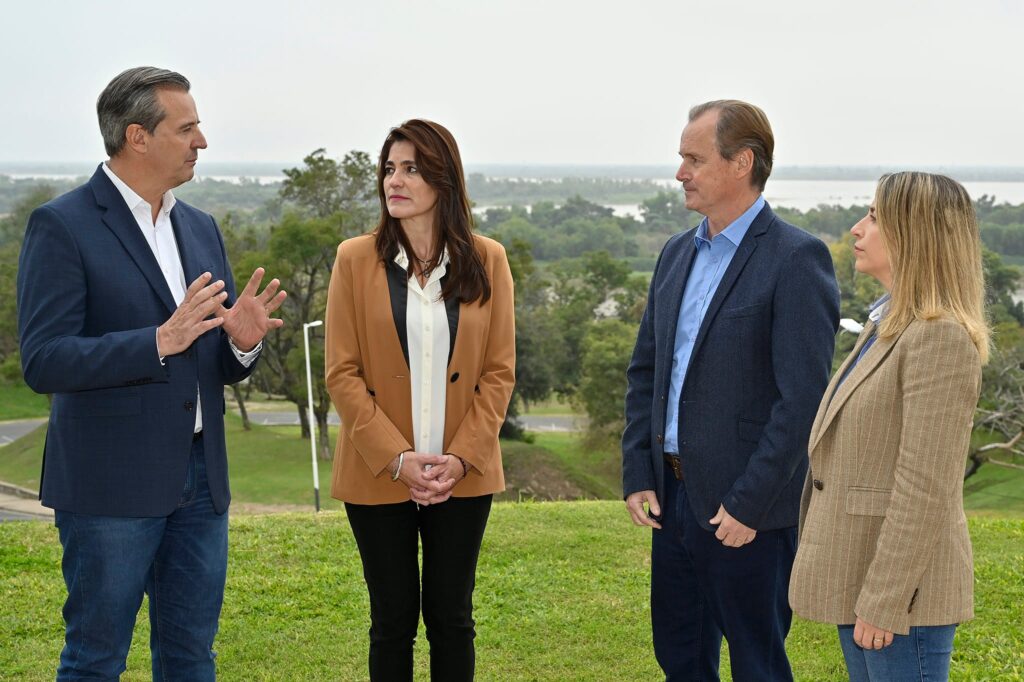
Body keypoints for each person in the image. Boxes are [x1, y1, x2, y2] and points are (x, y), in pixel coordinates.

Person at [16, 66, 285, 681]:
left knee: (192, 656)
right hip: (110, 485)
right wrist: (157, 341)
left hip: (202, 481)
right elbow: (45, 358)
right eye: (186, 129)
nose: (202, 141)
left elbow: (208, 359)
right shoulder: (63, 225)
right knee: (95, 660)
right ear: (137, 137)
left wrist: (240, 345)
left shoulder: (200, 227)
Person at [622, 99, 840, 681]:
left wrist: (750, 504)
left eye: (694, 159)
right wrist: (639, 471)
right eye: (681, 159)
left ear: (742, 162)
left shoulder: (797, 258)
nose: (680, 173)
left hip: (747, 514)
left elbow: (802, 402)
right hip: (671, 500)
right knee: (681, 659)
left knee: (757, 665)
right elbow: (647, 372)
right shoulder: (676, 252)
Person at [324, 118, 515, 682]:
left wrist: (461, 458)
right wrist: (398, 459)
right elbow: (342, 373)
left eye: (411, 169)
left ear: (443, 179)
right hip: (377, 474)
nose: (395, 180)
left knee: (452, 619)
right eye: (389, 168)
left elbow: (499, 372)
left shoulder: (489, 259)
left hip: (462, 476)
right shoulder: (354, 259)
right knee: (391, 621)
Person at [789, 172, 987, 681]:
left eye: (875, 217)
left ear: (913, 234)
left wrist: (885, 599)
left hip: (903, 600)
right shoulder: (891, 325)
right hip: (863, 576)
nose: (857, 228)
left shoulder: (939, 338)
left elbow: (926, 487)